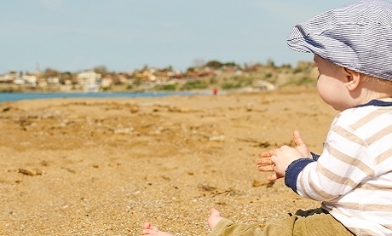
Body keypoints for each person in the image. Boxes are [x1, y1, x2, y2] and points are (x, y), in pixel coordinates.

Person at [142, 0, 392, 235]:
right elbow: (360, 171)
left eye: (320, 70)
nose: (317, 77)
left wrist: (293, 167)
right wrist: (310, 160)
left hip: (353, 228)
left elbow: (323, 186)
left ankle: (224, 231)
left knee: (286, 230)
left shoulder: (352, 123)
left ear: (349, 77)